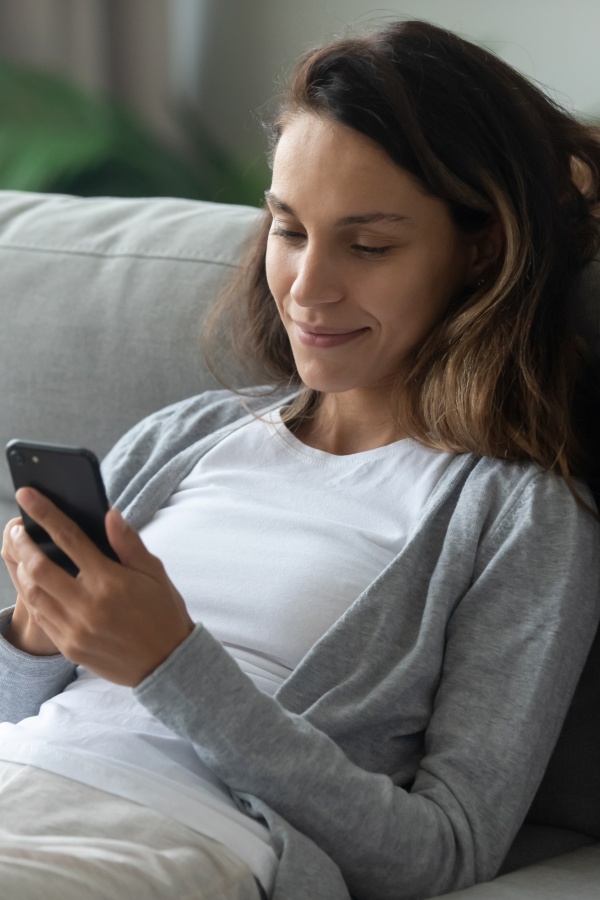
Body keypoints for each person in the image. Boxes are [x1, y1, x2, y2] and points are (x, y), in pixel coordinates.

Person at [1, 18, 600, 900]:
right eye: (289, 231)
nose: (309, 289)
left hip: (157, 844)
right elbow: (21, 707)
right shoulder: (187, 435)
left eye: (369, 245)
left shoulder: (519, 516)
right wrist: (33, 631)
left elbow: (444, 851)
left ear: (481, 251)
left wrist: (172, 664)